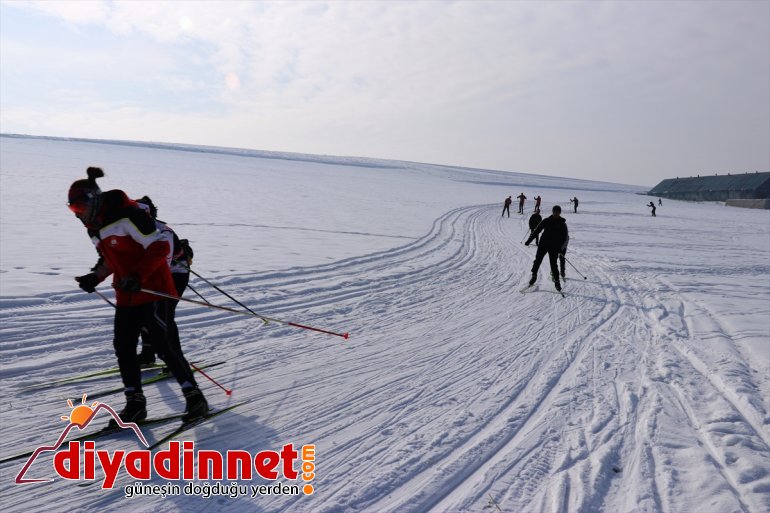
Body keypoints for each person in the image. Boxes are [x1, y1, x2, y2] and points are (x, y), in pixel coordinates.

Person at [68, 167, 208, 423]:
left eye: (80, 207)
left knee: (164, 345)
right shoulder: (94, 227)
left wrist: (138, 277)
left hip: (153, 289)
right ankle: (135, 404)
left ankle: (195, 397)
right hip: (127, 293)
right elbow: (108, 260)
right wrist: (94, 277)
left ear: (94, 200)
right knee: (123, 346)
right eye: (73, 209)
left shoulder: (127, 216)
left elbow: (160, 246)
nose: (78, 214)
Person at [135, 196, 194, 367]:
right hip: (150, 275)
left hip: (175, 274)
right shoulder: (133, 229)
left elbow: (162, 265)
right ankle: (148, 354)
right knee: (143, 313)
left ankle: (176, 359)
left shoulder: (163, 232)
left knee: (162, 316)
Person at [525, 205, 569, 291]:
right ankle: (534, 276)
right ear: (552, 212)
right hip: (543, 244)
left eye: (557, 212)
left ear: (560, 213)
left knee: (553, 264)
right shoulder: (546, 220)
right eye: (554, 212)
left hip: (554, 247)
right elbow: (537, 231)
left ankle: (557, 281)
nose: (556, 214)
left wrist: (561, 248)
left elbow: (564, 237)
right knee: (537, 260)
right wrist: (529, 240)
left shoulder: (562, 224)